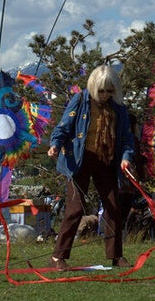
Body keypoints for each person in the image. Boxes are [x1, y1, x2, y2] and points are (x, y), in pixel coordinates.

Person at [47, 64, 135, 270]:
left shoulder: (119, 109)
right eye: (101, 90)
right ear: (94, 87)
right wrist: (55, 145)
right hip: (78, 160)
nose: (105, 95)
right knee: (75, 209)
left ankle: (116, 255)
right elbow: (63, 127)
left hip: (106, 160)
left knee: (114, 207)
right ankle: (57, 257)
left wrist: (125, 157)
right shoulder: (80, 100)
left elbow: (127, 139)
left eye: (109, 91)